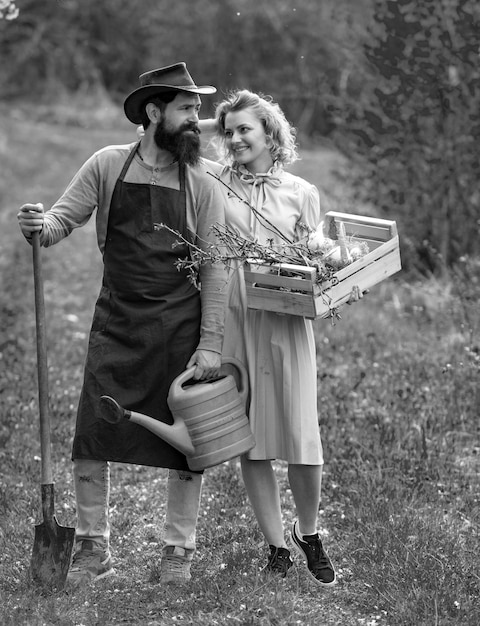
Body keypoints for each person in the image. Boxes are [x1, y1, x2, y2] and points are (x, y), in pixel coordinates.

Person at [17, 62, 227, 587]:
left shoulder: (202, 184)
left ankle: (178, 549)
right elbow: (62, 221)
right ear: (155, 112)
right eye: (186, 108)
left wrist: (210, 343)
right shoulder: (108, 165)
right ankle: (92, 545)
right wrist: (40, 226)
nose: (196, 119)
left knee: (188, 443)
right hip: (118, 320)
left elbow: (215, 266)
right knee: (94, 432)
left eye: (197, 109)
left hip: (180, 324)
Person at [210, 90, 338, 585]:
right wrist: (216, 121)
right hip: (238, 319)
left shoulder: (300, 191)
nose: (236, 138)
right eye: (229, 131)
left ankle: (309, 532)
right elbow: (171, 139)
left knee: (302, 437)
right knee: (254, 439)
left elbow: (314, 250)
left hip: (286, 317)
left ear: (270, 133)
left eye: (246, 129)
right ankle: (276, 547)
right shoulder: (215, 181)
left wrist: (331, 259)